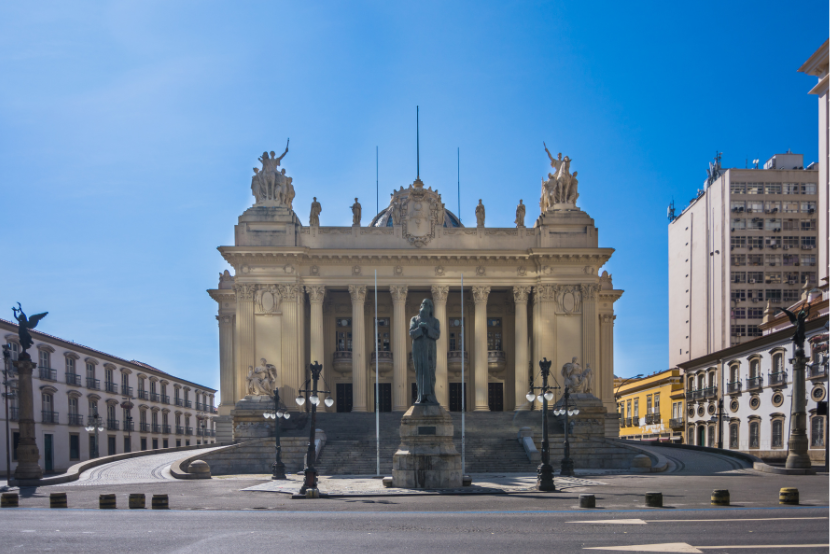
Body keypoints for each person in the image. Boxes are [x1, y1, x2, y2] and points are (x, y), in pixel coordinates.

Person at [409, 299, 440, 405]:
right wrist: (420, 328)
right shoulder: (414, 319)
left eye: (427, 304)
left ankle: (431, 397)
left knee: (431, 373)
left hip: (430, 351)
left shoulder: (435, 321)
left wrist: (428, 327)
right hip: (418, 350)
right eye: (423, 304)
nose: (424, 306)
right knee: (420, 373)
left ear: (431, 308)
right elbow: (411, 333)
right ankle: (421, 397)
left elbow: (437, 334)